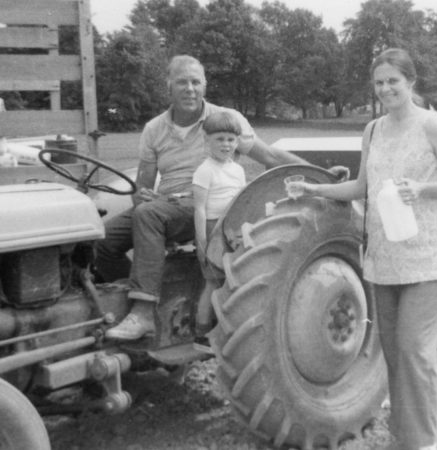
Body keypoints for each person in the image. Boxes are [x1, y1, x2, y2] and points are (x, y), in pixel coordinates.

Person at [288, 48, 437, 450]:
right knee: (393, 351)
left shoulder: (433, 126)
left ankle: (423, 443)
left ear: (411, 82)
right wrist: (313, 187)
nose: (386, 88)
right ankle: (402, 439)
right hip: (385, 259)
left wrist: (421, 189)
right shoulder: (372, 130)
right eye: (379, 82)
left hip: (430, 258)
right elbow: (362, 188)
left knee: (413, 349)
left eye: (394, 80)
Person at [97, 55, 314, 341]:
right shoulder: (154, 129)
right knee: (102, 241)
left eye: (195, 82)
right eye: (182, 82)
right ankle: (134, 300)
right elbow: (143, 187)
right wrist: (143, 194)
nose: (189, 89)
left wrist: (315, 174)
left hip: (206, 205)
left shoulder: (224, 120)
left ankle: (144, 313)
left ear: (205, 86)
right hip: (166, 206)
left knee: (148, 215)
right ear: (169, 87)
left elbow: (270, 155)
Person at [191, 111, 246, 352]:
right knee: (212, 283)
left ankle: (226, 329)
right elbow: (200, 210)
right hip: (212, 231)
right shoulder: (205, 170)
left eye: (230, 140)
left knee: (232, 281)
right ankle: (201, 333)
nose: (226, 145)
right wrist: (202, 243)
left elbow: (242, 202)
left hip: (231, 230)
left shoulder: (237, 170)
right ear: (207, 141)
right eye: (219, 139)